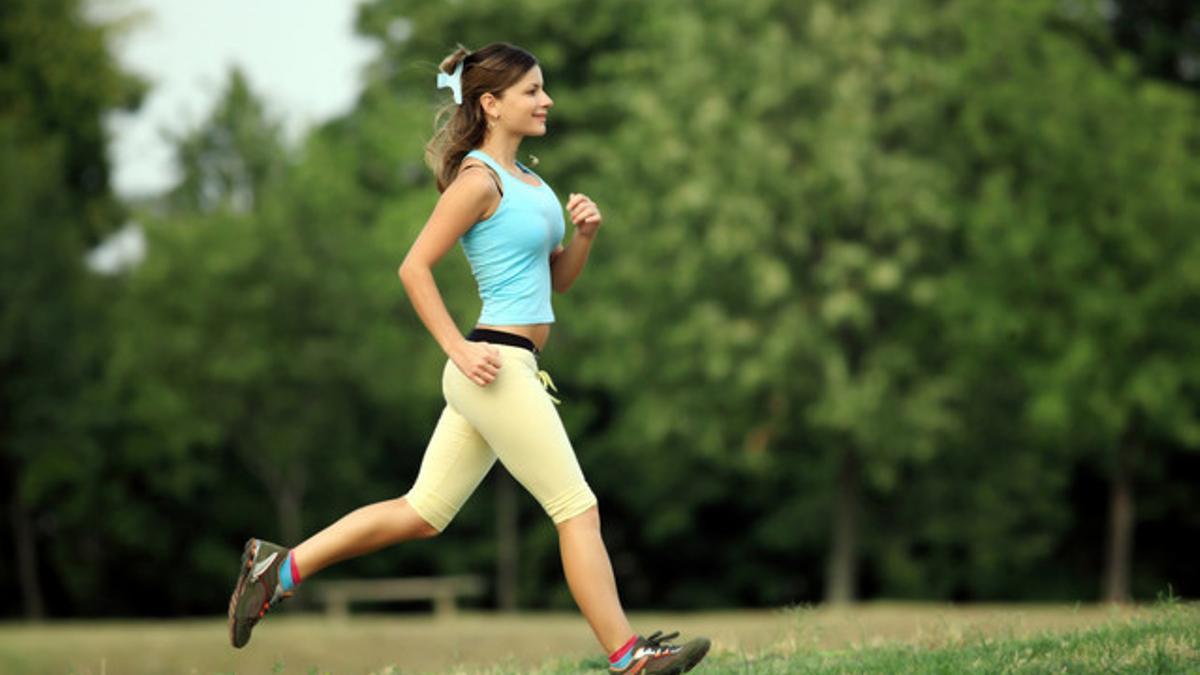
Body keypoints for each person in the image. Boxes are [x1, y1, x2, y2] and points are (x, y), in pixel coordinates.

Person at [226, 43, 710, 673]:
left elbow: (556, 283)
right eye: (532, 91)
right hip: (494, 366)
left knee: (422, 514)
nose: (546, 100)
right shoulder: (478, 180)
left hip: (510, 366)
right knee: (577, 509)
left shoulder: (532, 183)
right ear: (490, 103)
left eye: (543, 89)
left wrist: (584, 236)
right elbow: (413, 266)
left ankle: (278, 568)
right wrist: (457, 346)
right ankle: (628, 658)